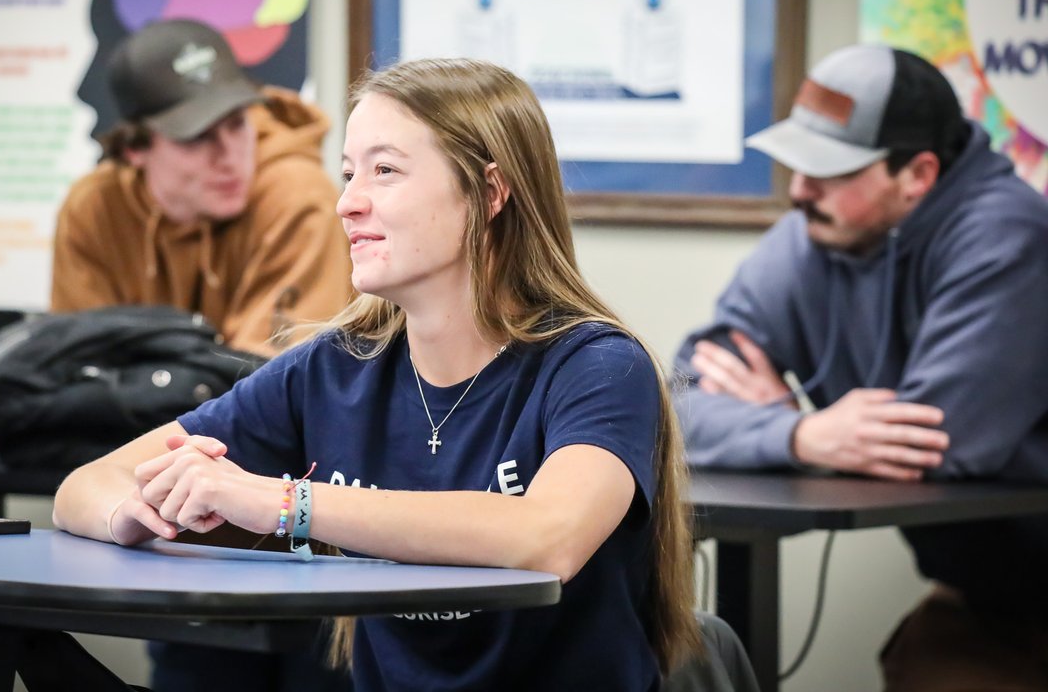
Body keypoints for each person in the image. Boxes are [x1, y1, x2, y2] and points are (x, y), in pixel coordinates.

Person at [54, 57, 700, 690]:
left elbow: (548, 537)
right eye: (347, 173)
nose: (346, 204)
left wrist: (282, 502)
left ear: (491, 191)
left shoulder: (598, 365)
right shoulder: (329, 369)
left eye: (385, 171)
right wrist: (138, 515)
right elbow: (84, 487)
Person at [674, 44, 1048, 690]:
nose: (799, 191)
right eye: (797, 164)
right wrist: (794, 433)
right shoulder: (817, 233)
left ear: (918, 176)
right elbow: (679, 395)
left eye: (829, 172)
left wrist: (782, 425)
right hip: (983, 600)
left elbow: (931, 443)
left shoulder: (1007, 234)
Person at [51, 18, 353, 357]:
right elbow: (77, 368)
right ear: (134, 148)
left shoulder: (298, 195)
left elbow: (273, 385)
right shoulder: (93, 208)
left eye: (238, 123)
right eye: (197, 137)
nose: (229, 157)